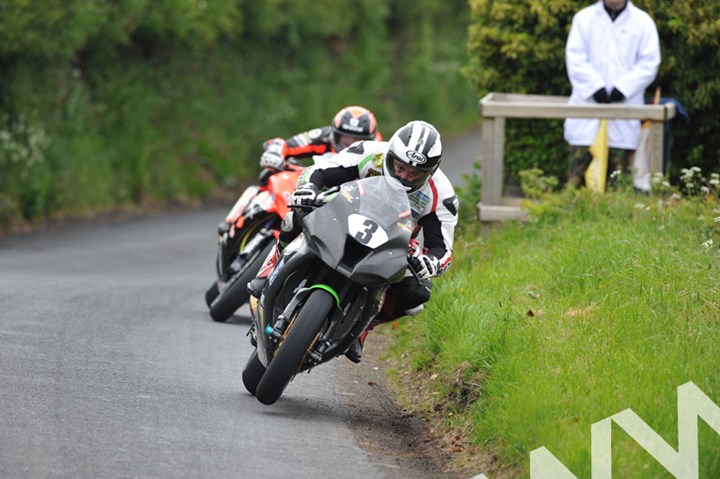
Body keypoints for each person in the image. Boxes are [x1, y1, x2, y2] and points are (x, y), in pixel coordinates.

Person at [250, 120, 459, 363]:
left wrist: (431, 263)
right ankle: (270, 271)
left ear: (431, 171)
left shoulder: (442, 195)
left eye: (415, 174)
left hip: (393, 240)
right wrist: (308, 189)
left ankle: (363, 327)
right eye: (399, 166)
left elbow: (442, 248)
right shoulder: (369, 153)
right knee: (296, 215)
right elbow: (319, 171)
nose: (404, 176)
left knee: (417, 291)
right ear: (390, 154)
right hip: (343, 211)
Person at [563, 0, 660, 188]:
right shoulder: (584, 19)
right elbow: (575, 58)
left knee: (618, 184)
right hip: (587, 111)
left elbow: (649, 63)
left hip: (624, 112)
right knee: (576, 183)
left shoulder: (643, 22)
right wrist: (595, 88)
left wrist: (622, 89)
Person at [257, 105, 381, 185]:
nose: (350, 143)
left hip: (353, 200)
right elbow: (286, 144)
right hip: (312, 185)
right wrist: (274, 153)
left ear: (370, 139)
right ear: (335, 134)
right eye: (346, 137)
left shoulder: (378, 150)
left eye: (357, 139)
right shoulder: (323, 136)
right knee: (270, 178)